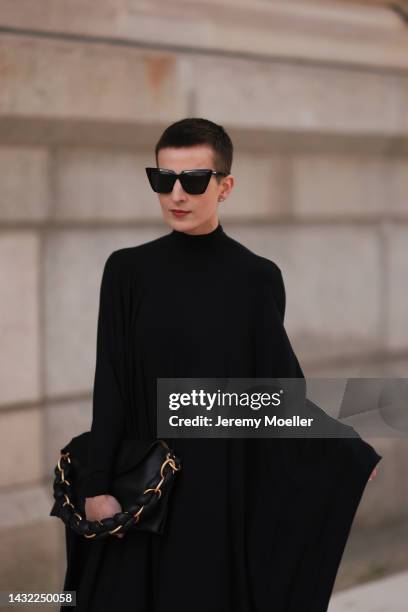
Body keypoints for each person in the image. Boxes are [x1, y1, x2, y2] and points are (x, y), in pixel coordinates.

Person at [61, 117, 381, 611]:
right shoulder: (127, 271)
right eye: (163, 179)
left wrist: (343, 448)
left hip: (218, 491)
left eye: (193, 180)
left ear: (225, 186)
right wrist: (100, 485)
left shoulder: (256, 279)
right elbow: (112, 384)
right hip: (141, 488)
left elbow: (274, 389)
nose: (176, 195)